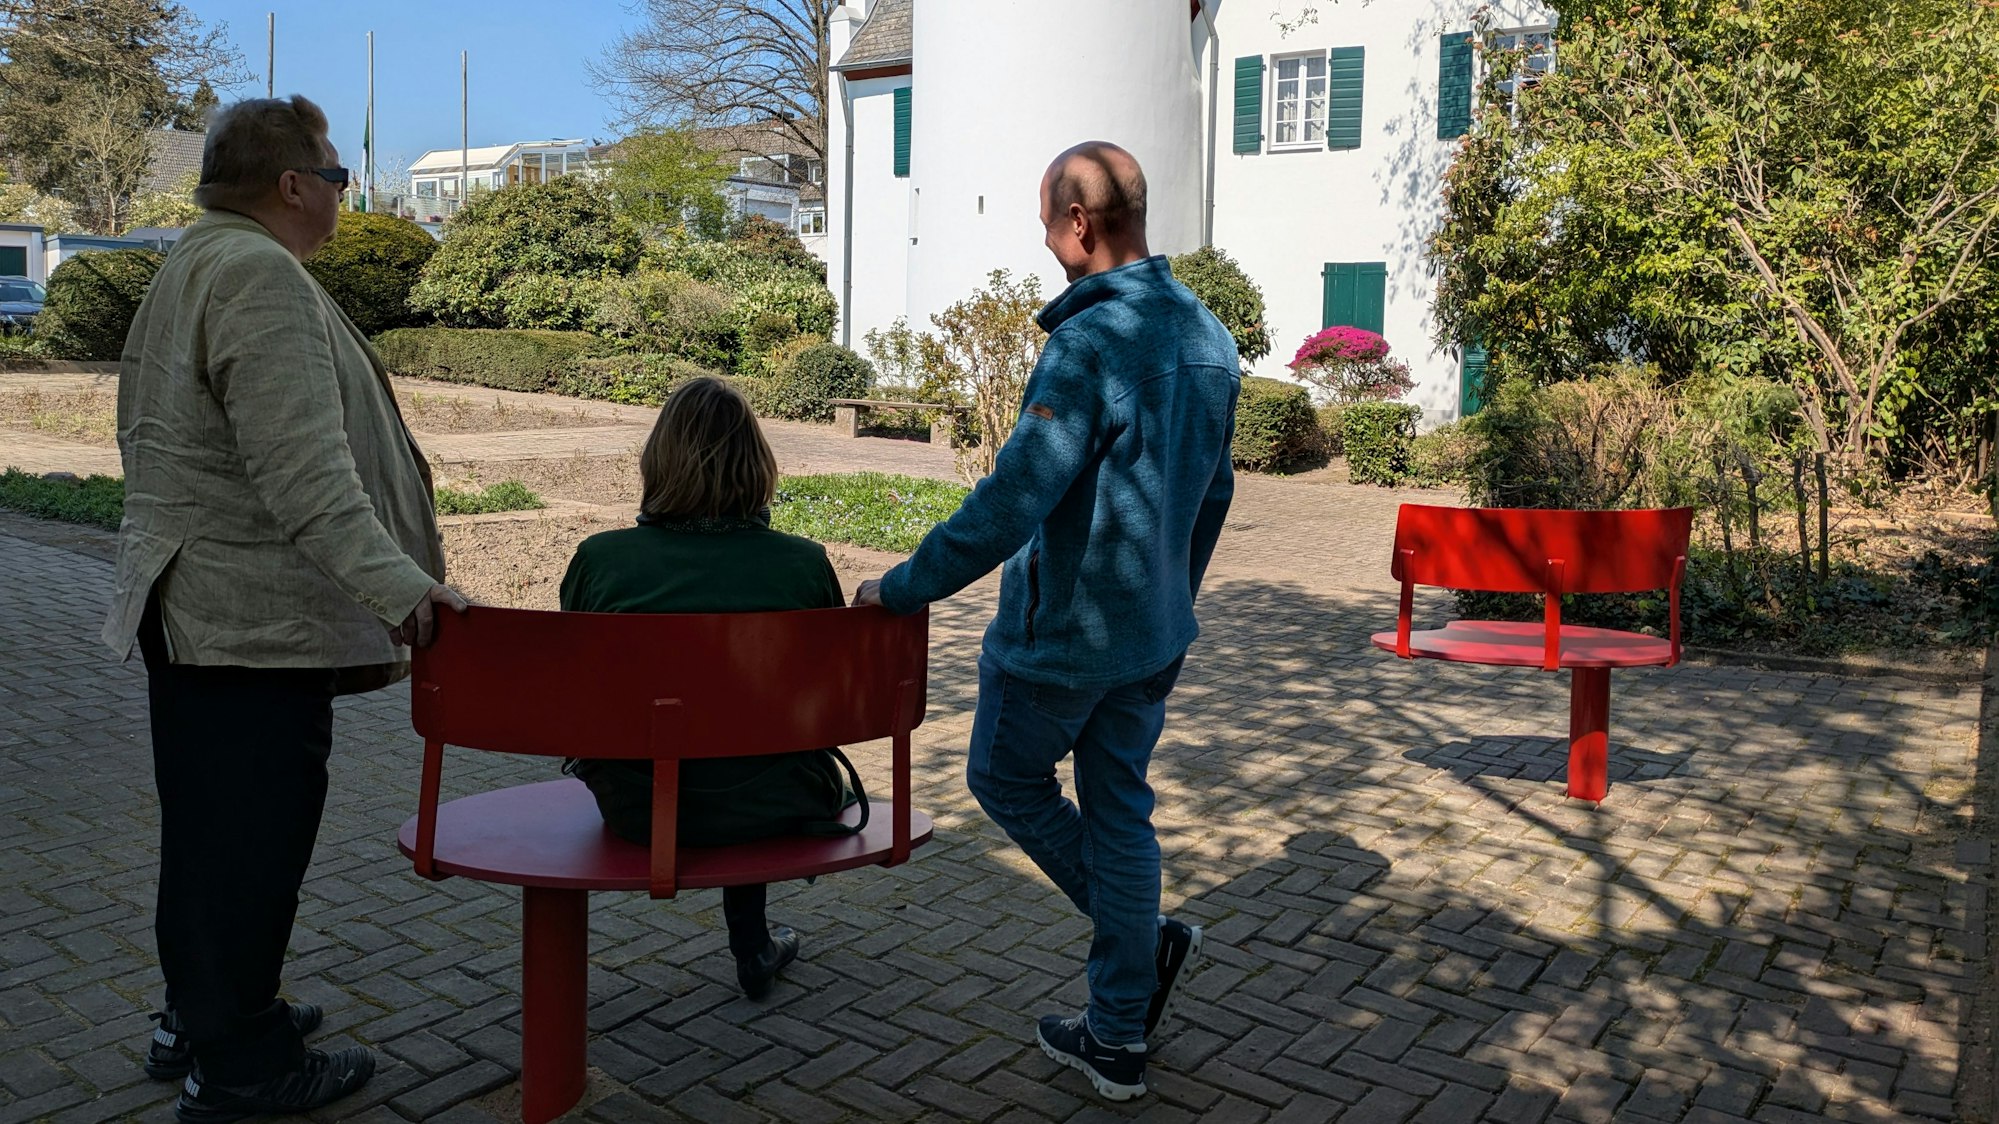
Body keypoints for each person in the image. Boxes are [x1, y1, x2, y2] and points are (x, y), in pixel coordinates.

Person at [102, 95, 466, 1123]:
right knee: (249, 845)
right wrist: (405, 591)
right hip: (245, 625)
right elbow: (304, 472)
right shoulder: (257, 274)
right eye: (340, 176)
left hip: (199, 613)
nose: (348, 193)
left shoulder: (199, 259)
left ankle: (207, 1013)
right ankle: (245, 1065)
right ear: (294, 184)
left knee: (210, 838)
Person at [852, 141, 1239, 1101]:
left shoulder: (1089, 344)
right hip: (1155, 633)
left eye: (1043, 222)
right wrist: (1173, 591)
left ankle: (1139, 947)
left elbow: (1012, 499)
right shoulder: (1209, 338)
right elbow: (1215, 495)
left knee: (1003, 778)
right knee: (1120, 815)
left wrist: (901, 587)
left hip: (1064, 638)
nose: (1043, 241)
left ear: (1078, 225)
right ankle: (1115, 1037)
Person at [558, 376, 859, 1000]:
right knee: (744, 757)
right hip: (780, 800)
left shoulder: (600, 561)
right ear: (758, 465)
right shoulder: (803, 564)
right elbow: (831, 701)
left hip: (637, 803)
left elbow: (578, 691)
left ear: (657, 461)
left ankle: (750, 945)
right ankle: (753, 944)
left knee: (703, 757)